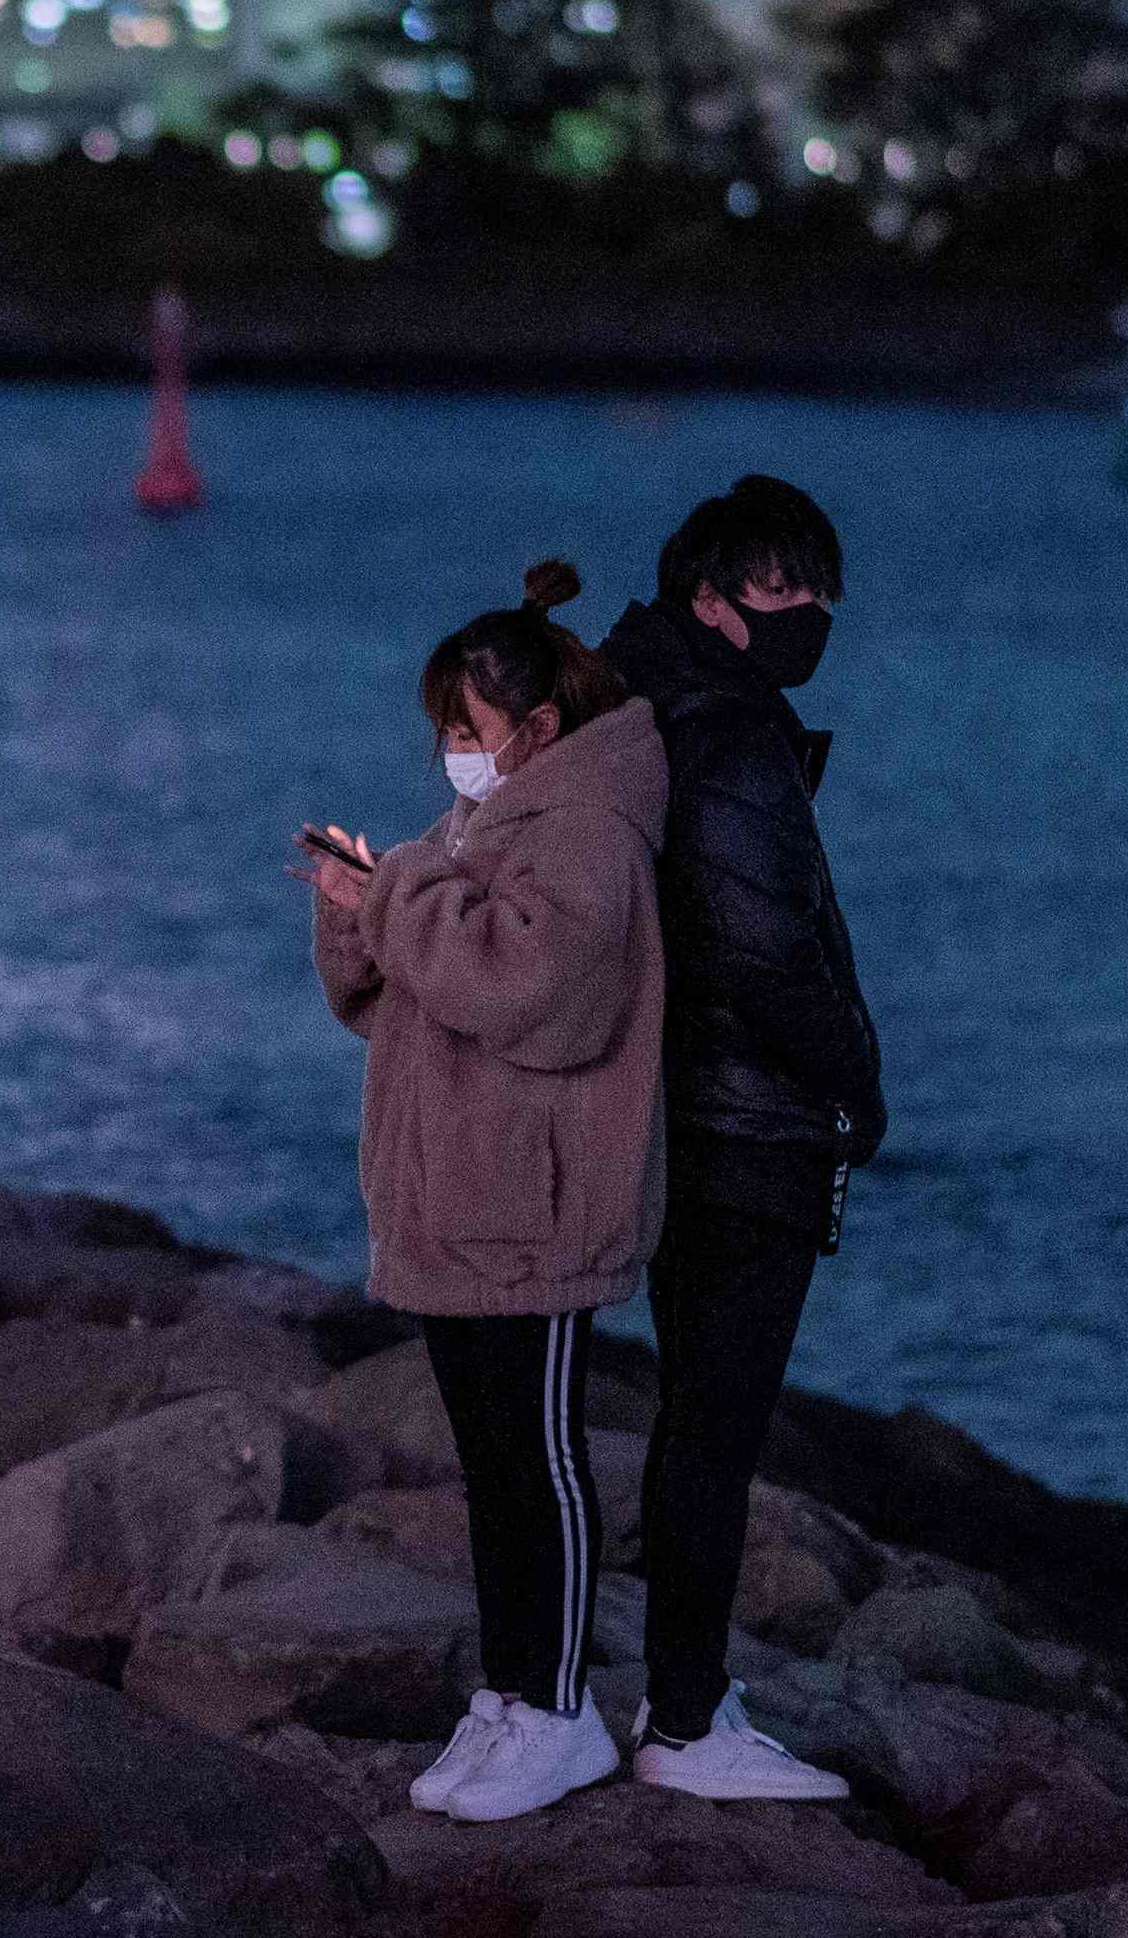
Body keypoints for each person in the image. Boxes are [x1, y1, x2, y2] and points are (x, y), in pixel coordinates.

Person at [296, 559, 667, 1825]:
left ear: (538, 727)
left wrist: (392, 892)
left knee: (536, 1463)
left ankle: (557, 1712)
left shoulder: (588, 830)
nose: (450, 753)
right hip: (459, 1200)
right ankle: (511, 1698)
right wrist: (357, 909)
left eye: (466, 729)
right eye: (442, 733)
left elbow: (529, 990)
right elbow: (406, 1002)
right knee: (491, 1464)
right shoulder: (484, 825)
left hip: (535, 1206)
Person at [595, 474, 878, 1804]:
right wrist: (856, 1081)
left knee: (690, 1422)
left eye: (817, 588)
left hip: (676, 1112)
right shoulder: (730, 736)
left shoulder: (647, 708)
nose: (807, 610)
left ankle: (676, 1696)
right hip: (743, 1128)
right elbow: (762, 950)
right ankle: (686, 1717)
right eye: (778, 588)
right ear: (708, 601)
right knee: (713, 1429)